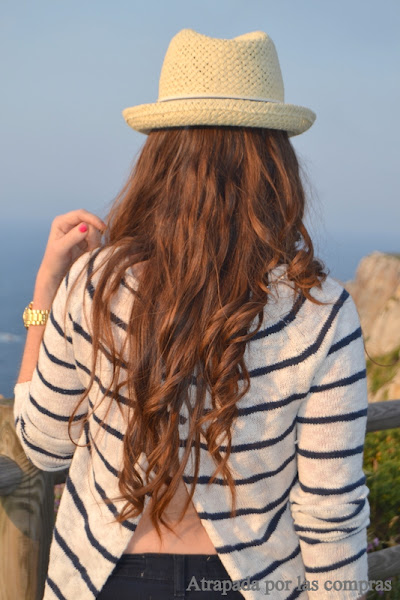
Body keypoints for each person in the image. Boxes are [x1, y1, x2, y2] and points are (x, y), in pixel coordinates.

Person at [13, 28, 371, 600]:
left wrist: (44, 293)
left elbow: (43, 443)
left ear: (159, 156)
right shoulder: (320, 312)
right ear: (275, 161)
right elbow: (331, 510)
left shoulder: (97, 284)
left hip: (105, 581)